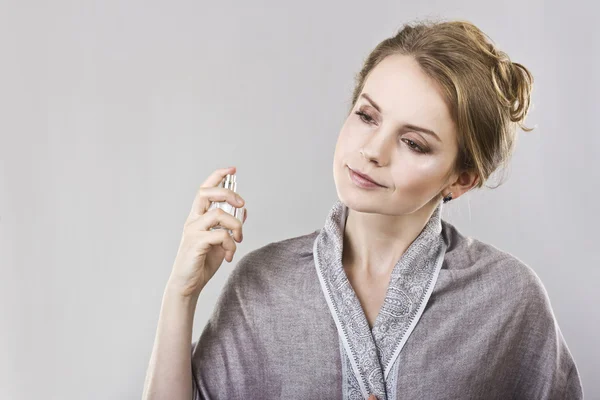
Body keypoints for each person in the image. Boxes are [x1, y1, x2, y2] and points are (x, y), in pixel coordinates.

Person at [142, 19, 584, 400]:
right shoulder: (261, 284)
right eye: (367, 116)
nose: (373, 150)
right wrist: (181, 295)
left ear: (461, 179)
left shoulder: (508, 298)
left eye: (413, 143)